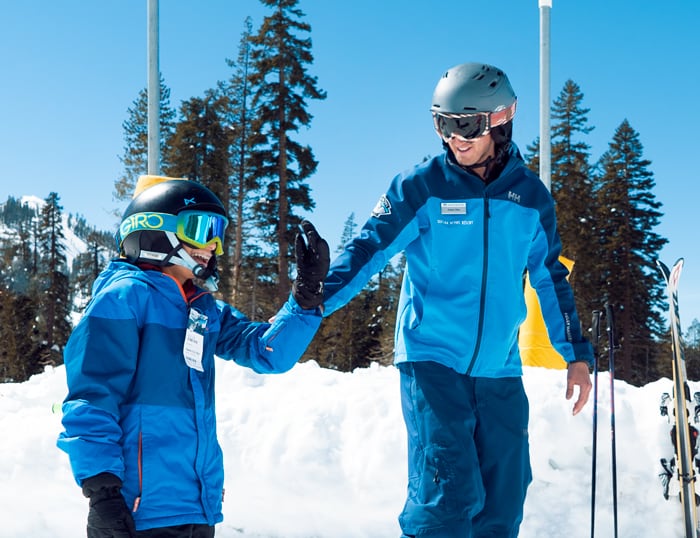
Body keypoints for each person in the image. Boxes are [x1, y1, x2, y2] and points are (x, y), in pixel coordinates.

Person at [321, 62, 594, 537]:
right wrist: (313, 298)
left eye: (465, 125)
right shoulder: (422, 186)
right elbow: (368, 249)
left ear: (501, 119)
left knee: (503, 504)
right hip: (432, 359)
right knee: (446, 499)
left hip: (500, 368)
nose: (454, 138)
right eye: (442, 123)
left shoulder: (530, 198)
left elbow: (550, 277)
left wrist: (575, 354)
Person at [57, 175, 329, 538]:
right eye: (202, 228)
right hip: (137, 513)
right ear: (154, 228)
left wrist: (305, 299)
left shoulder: (202, 309)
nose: (213, 245)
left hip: (197, 508)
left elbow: (267, 351)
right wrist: (103, 492)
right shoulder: (123, 299)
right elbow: (92, 401)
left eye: (218, 232)